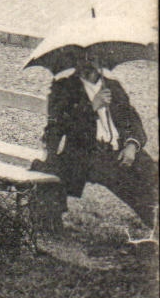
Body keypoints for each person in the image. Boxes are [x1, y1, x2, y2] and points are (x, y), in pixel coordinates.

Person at [35, 57, 156, 231]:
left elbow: (132, 120)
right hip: (87, 153)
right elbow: (58, 128)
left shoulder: (113, 87)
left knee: (150, 170)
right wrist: (91, 106)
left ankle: (154, 217)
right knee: (125, 181)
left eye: (94, 58)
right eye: (83, 59)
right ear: (76, 62)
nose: (89, 64)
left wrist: (131, 145)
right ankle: (154, 221)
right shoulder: (64, 88)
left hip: (120, 148)